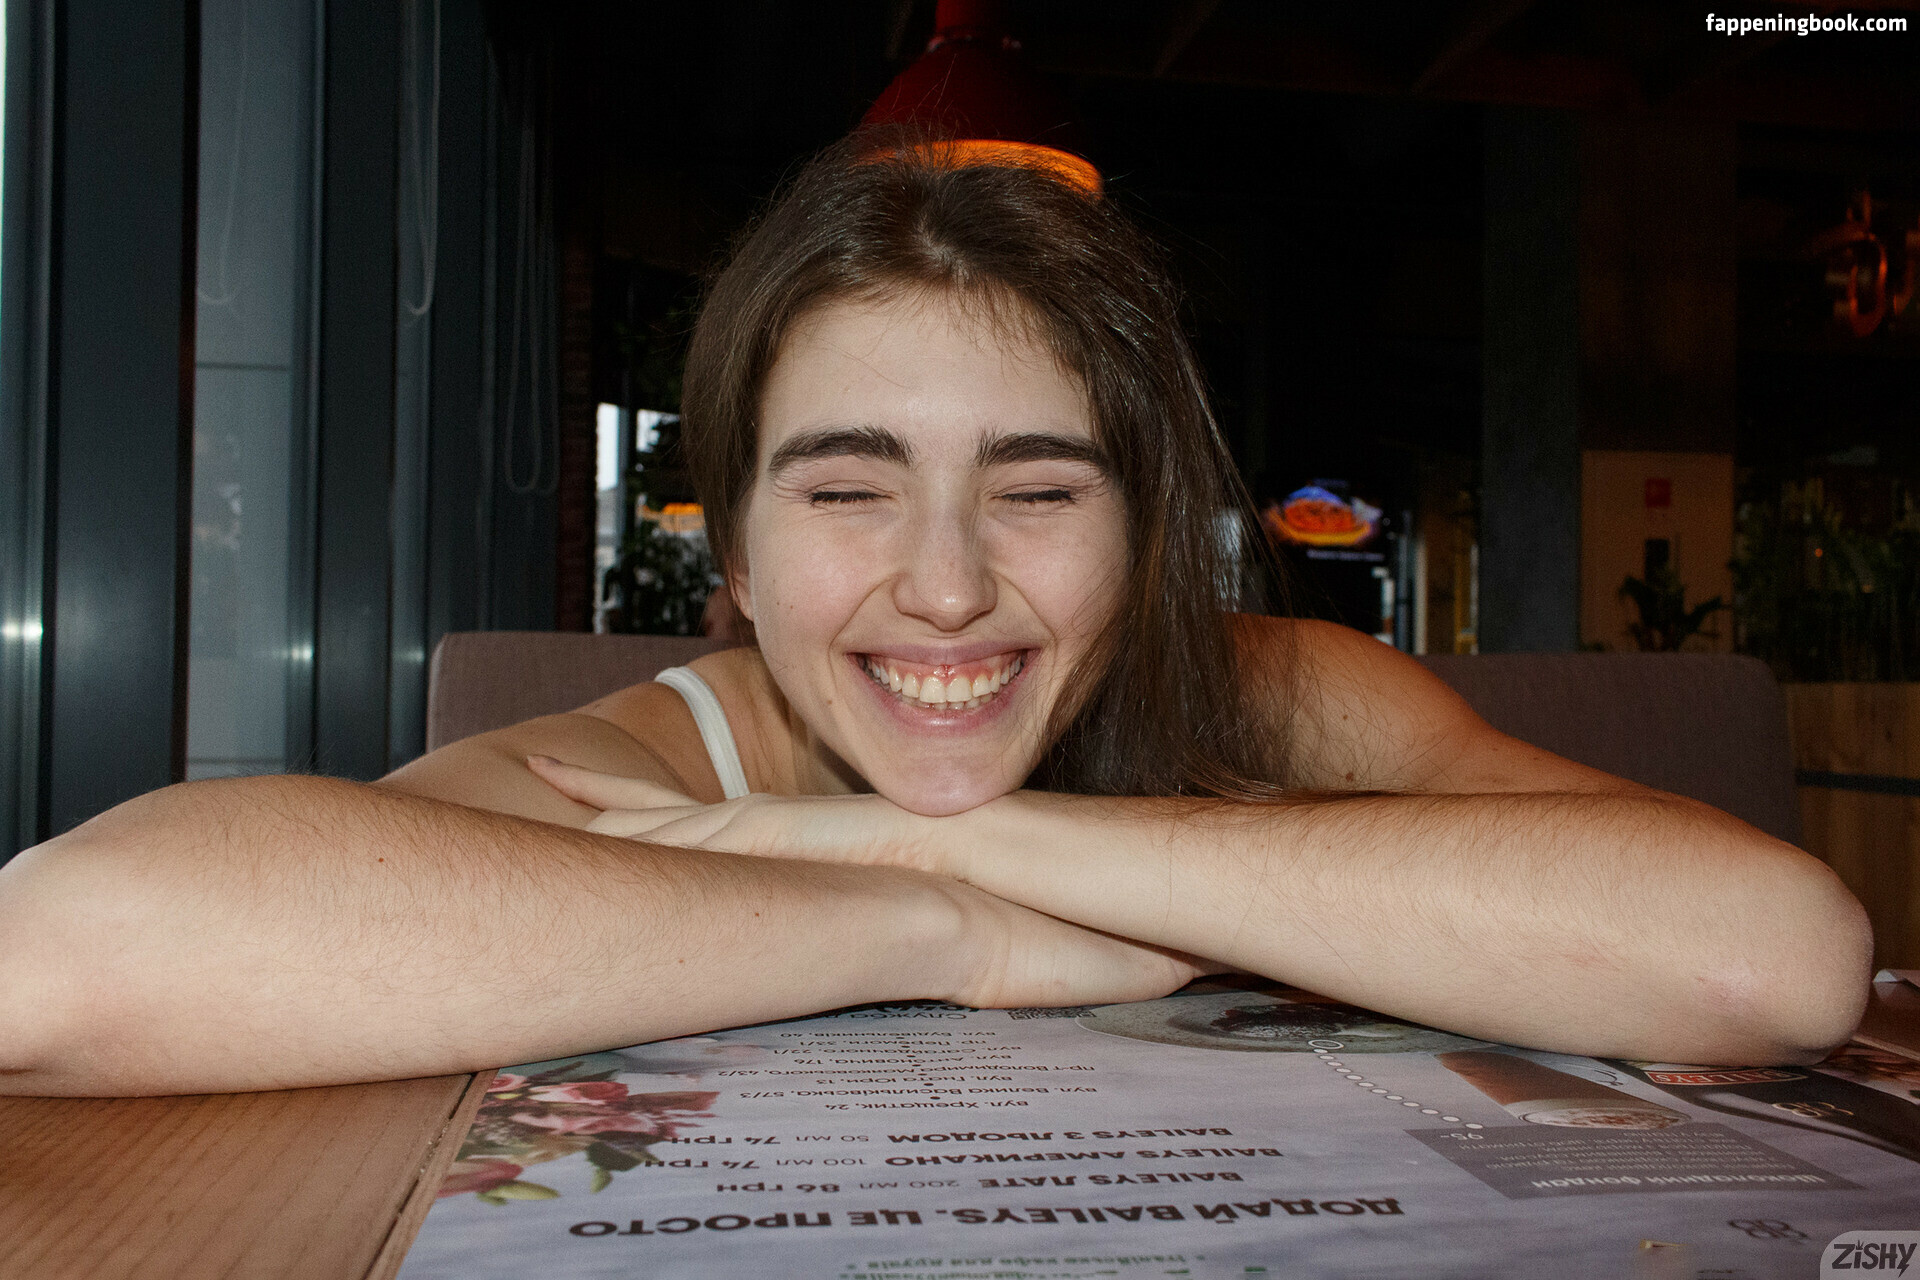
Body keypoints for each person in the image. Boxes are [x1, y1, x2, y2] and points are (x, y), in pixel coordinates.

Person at [0, 136, 1870, 1098]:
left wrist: (971, 834)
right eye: (846, 488)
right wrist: (938, 921)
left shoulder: (1274, 691)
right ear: (736, 555)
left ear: (1149, 540)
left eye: (1041, 489)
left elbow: (1772, 959)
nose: (952, 583)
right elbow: (66, 955)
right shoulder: (666, 756)